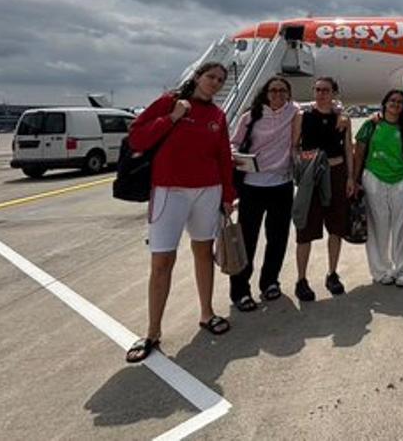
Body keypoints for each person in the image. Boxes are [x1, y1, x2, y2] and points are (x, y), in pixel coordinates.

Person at [125, 62, 236, 363]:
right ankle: (152, 332)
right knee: (162, 260)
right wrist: (172, 118)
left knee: (204, 252)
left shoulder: (217, 115)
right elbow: (137, 138)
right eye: (210, 77)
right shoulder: (169, 102)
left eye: (220, 80)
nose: (214, 82)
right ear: (197, 77)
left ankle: (207, 313)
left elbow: (223, 157)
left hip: (207, 190)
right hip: (168, 191)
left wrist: (228, 195)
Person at [228, 76, 299, 311]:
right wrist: (239, 157)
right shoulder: (251, 116)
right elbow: (234, 143)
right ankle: (240, 290)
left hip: (282, 185)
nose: (277, 95)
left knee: (277, 239)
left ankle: (270, 282)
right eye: (273, 90)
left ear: (288, 94)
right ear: (266, 93)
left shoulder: (295, 112)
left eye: (282, 91)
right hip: (252, 186)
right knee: (248, 240)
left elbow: (331, 104)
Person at [293, 76, 353, 301]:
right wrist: (305, 166)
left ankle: (332, 273)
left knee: (336, 227)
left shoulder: (343, 119)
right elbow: (294, 147)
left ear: (334, 93)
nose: (320, 94)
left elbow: (348, 148)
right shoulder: (303, 116)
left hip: (337, 173)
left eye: (326, 90)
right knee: (305, 229)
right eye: (317, 90)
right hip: (313, 177)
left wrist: (349, 178)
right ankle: (301, 279)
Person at [353, 89, 403, 287]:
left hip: (401, 180)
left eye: (400, 102)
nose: (396, 104)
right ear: (384, 103)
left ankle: (401, 270)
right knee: (378, 227)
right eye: (392, 100)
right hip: (374, 178)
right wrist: (354, 180)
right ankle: (381, 271)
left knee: (400, 227)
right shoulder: (370, 125)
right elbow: (359, 153)